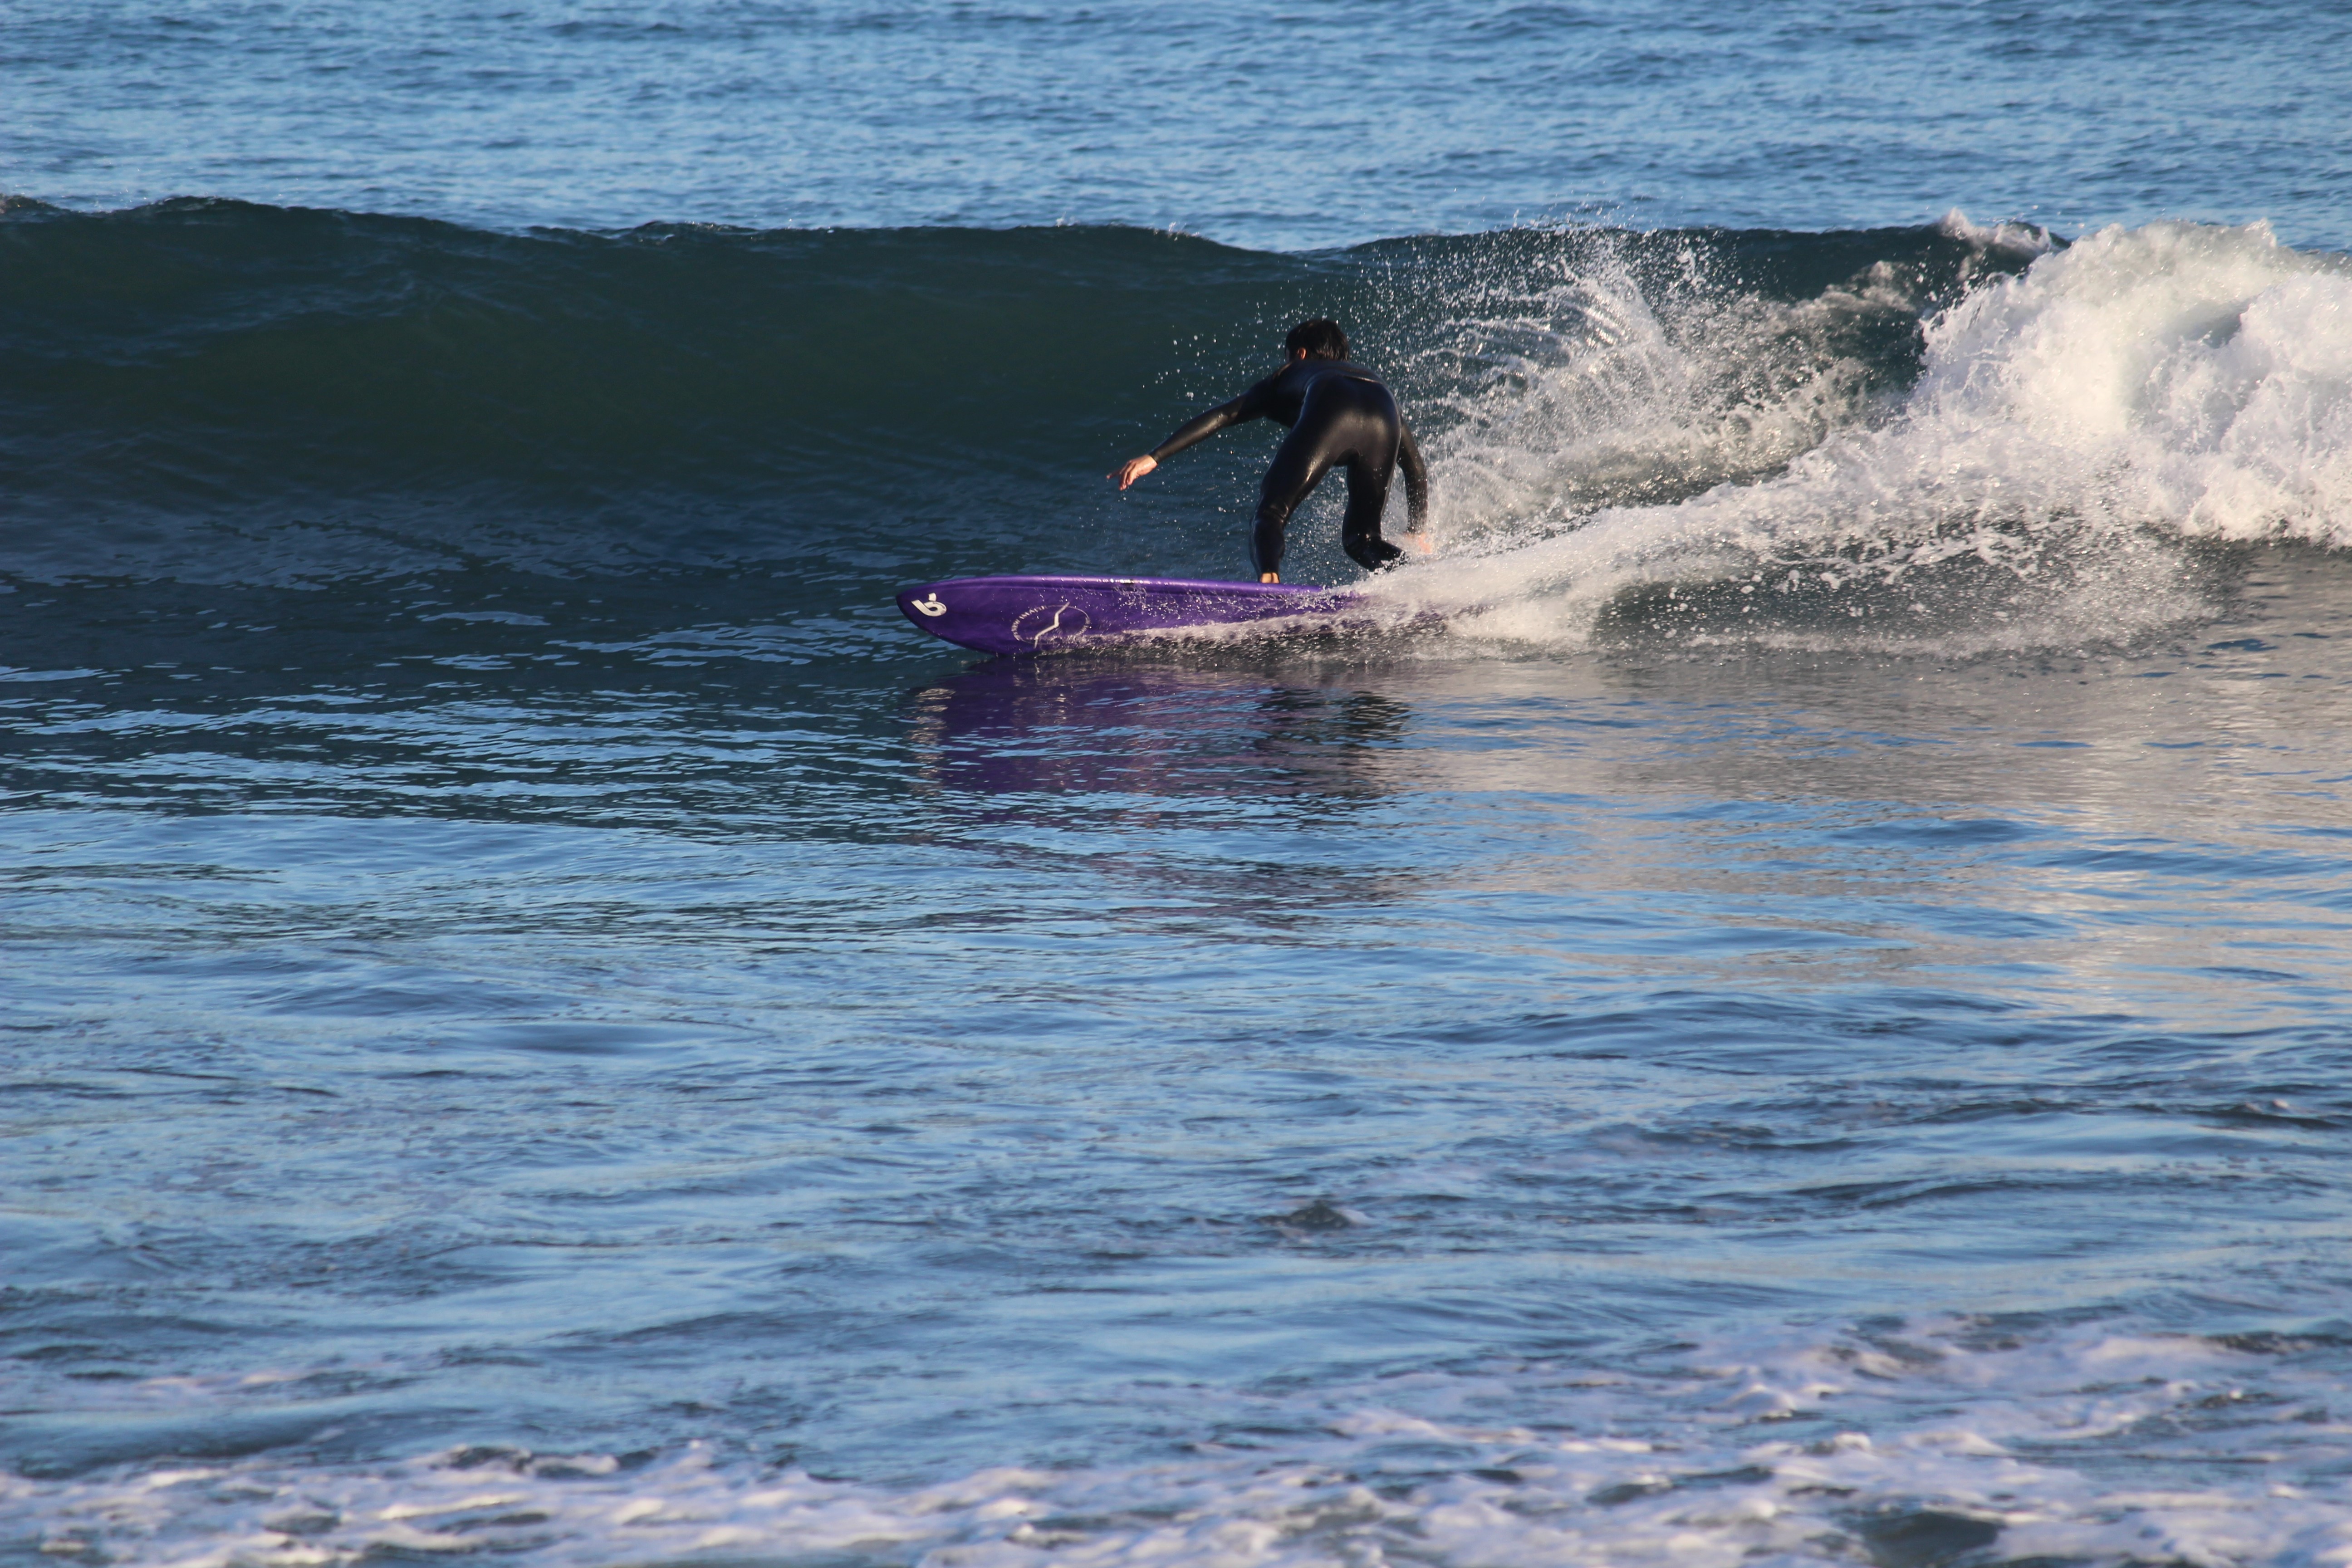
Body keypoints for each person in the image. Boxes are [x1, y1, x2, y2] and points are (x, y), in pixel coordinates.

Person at [1111, 319, 1431, 583]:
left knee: (1270, 514)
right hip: (1385, 414)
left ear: (1301, 354)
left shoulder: (1292, 372)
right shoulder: (1372, 381)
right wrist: (1417, 530)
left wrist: (1154, 457)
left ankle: (1269, 581)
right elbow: (1415, 470)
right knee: (1363, 541)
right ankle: (1428, 581)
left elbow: (1226, 414)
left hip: (1334, 408)